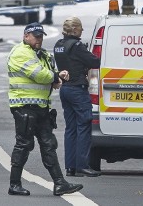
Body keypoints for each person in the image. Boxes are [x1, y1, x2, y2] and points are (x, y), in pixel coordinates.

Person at [7, 22, 84, 197]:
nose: (39, 39)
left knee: (49, 145)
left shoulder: (40, 54)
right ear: (26, 36)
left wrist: (57, 76)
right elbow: (40, 74)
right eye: (36, 36)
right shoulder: (20, 53)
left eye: (41, 36)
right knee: (24, 145)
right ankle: (14, 184)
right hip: (24, 106)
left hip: (41, 107)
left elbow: (48, 72)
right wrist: (55, 77)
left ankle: (60, 184)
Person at [54, 17, 101, 177]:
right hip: (78, 90)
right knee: (84, 126)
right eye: (80, 28)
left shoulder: (59, 45)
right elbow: (95, 62)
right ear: (74, 30)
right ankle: (83, 165)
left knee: (71, 128)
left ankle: (70, 166)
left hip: (65, 89)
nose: (82, 31)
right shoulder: (77, 46)